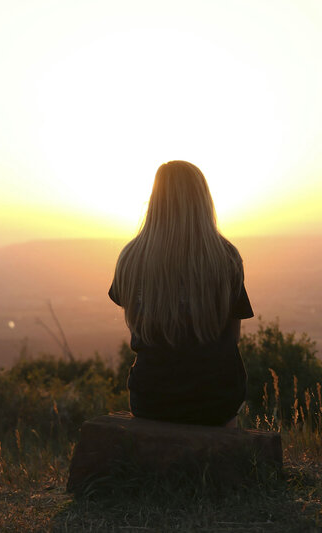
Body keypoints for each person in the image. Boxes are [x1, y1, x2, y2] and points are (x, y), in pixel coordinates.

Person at [108, 160, 254, 427]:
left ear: (155, 200)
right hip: (216, 400)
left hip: (151, 399)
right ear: (203, 201)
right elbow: (232, 338)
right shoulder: (227, 258)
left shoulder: (130, 258)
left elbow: (137, 325)